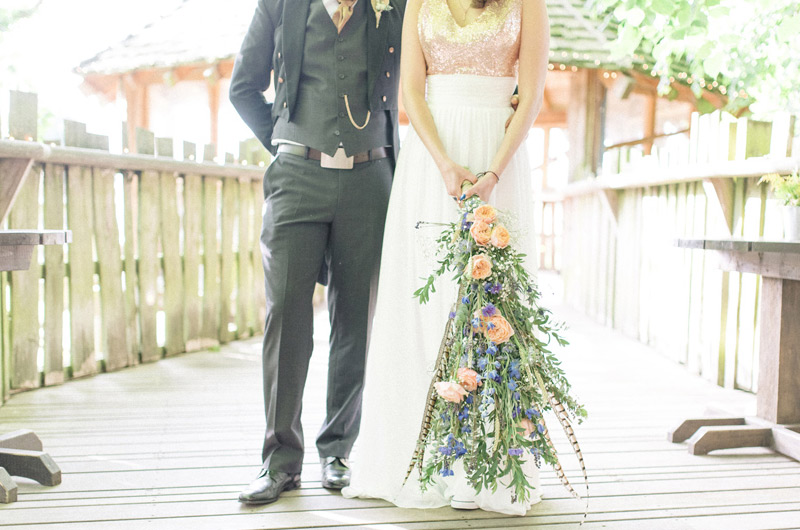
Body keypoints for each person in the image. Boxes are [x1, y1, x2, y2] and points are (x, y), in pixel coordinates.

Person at [342, 0, 550, 515]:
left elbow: (532, 96)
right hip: (432, 161)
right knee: (424, 301)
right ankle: (427, 459)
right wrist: (443, 164)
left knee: (490, 308)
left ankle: (483, 465)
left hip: (496, 154)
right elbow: (412, 89)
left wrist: (494, 174)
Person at [229, 0, 406, 505]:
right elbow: (243, 87)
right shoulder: (279, 5)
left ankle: (338, 451)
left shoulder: (397, 6)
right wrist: (286, 139)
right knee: (285, 314)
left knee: (355, 316)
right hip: (296, 176)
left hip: (371, 178)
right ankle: (280, 460)